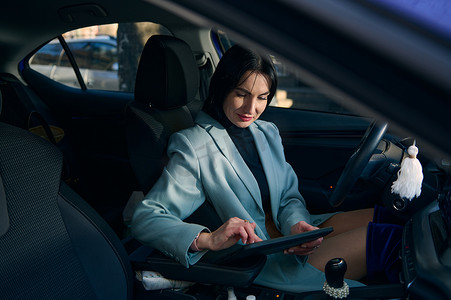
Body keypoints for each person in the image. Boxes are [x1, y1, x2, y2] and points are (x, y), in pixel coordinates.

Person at [131, 44, 402, 292]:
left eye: (262, 97)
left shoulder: (266, 132)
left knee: (394, 218)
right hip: (267, 258)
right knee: (388, 241)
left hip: (291, 238)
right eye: (241, 94)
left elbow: (287, 197)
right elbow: (147, 217)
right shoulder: (194, 145)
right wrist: (206, 239)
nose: (252, 108)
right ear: (222, 88)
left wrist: (295, 224)